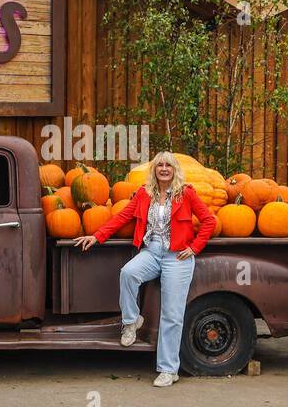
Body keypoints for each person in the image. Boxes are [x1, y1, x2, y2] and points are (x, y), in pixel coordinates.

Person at [73, 152, 217, 387]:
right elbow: (122, 217)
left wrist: (194, 248)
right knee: (128, 273)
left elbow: (208, 221)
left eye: (167, 165)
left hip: (177, 256)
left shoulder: (186, 193)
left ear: (174, 169)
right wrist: (97, 236)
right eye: (159, 165)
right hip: (151, 251)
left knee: (171, 314)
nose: (163, 168)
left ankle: (169, 369)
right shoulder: (143, 193)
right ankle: (131, 321)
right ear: (153, 169)